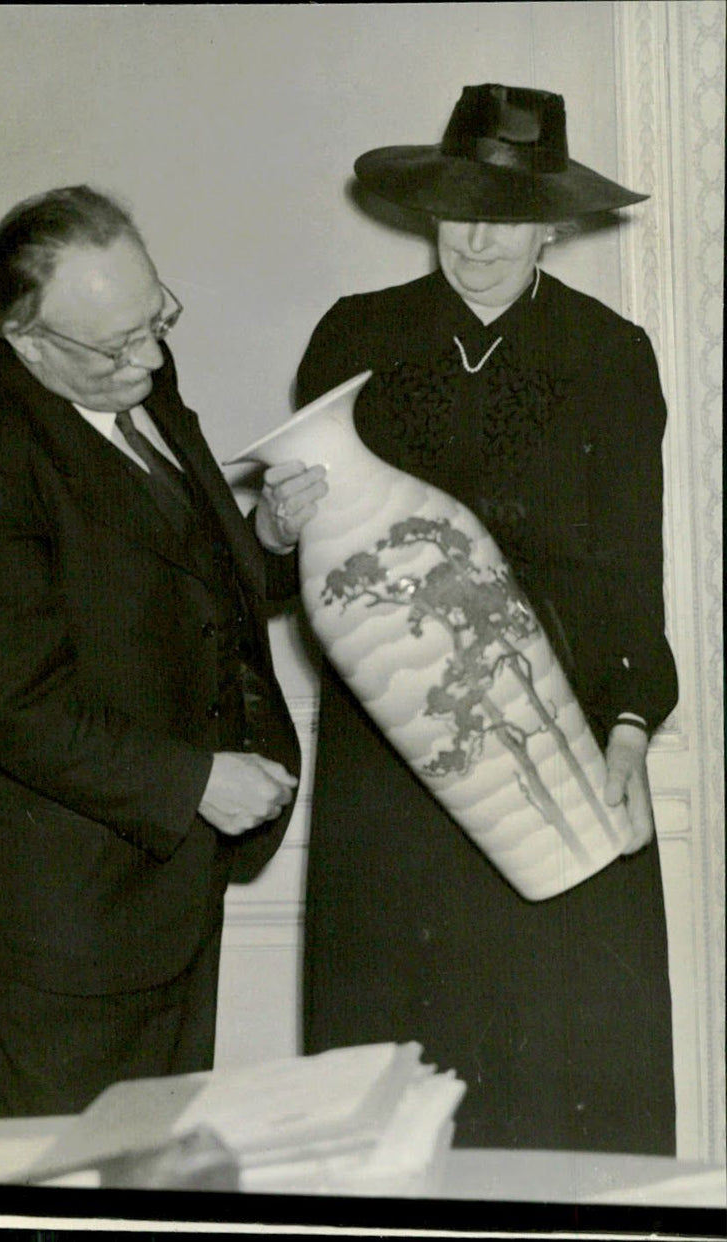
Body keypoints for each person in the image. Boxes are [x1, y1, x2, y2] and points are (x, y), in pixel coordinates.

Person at [255, 85, 678, 1154]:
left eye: (505, 213)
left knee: (568, 1083)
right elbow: (285, 573)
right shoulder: (356, 335)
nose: (477, 240)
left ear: (553, 223)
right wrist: (270, 527)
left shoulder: (610, 354)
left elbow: (633, 574)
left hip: (561, 750)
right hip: (390, 774)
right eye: (456, 211)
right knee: (396, 1089)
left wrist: (626, 727)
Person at [0, 185, 301, 1117]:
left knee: (170, 1185)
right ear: (26, 342)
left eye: (158, 318)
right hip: (69, 937)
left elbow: (187, 583)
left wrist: (265, 538)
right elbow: (15, 706)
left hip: (170, 894)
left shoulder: (134, 372)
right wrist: (195, 782)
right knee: (87, 1199)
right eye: (116, 345)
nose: (149, 356)